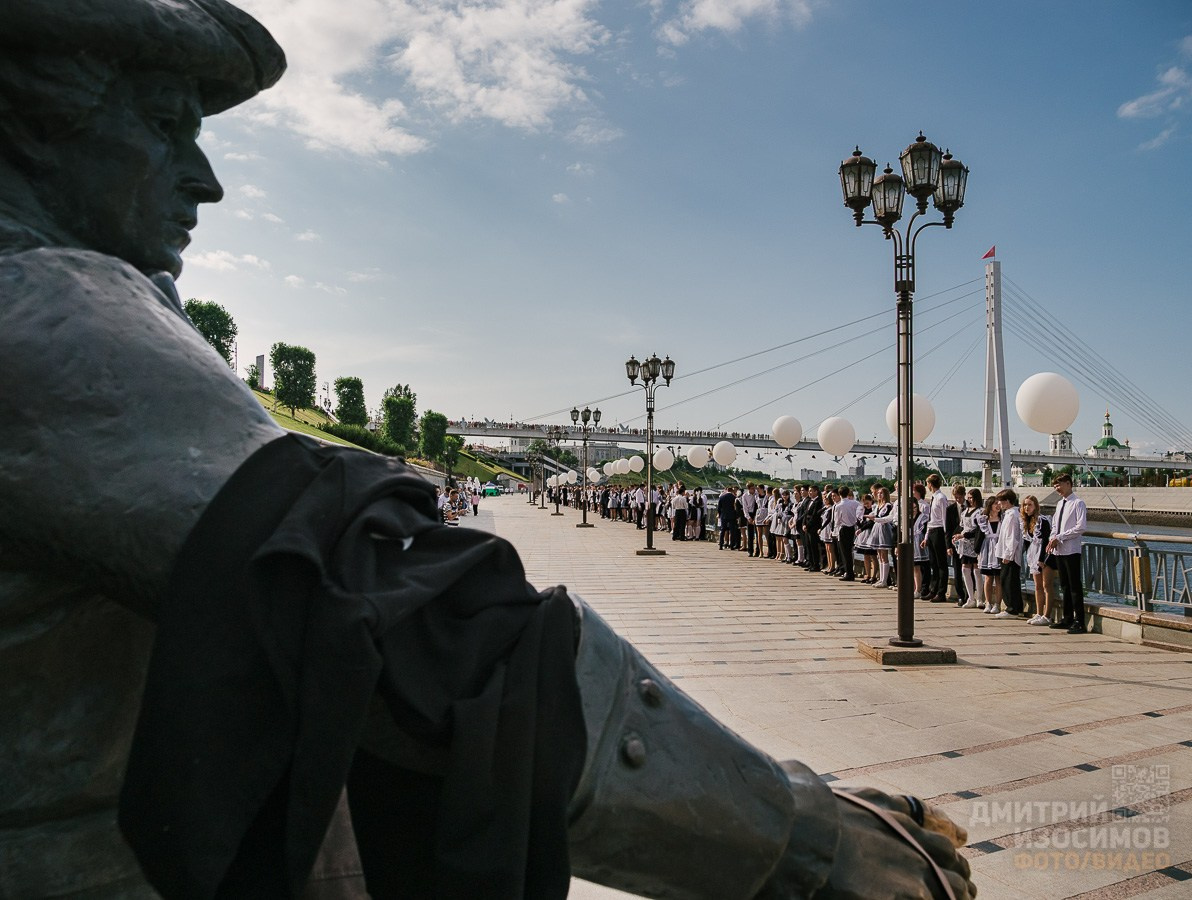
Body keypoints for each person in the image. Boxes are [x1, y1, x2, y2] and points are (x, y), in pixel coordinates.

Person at [0, 4, 973, 896]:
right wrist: (804, 840)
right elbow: (408, 613)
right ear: (36, 126)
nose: (204, 177)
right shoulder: (49, 316)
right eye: (166, 123)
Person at [1048, 473, 1088, 633]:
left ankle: (1079, 620)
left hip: (1071, 550)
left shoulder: (1078, 503)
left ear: (1068, 484)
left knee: (1074, 586)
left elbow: (1081, 527)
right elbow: (1054, 524)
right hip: (1059, 550)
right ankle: (1067, 618)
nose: (1057, 488)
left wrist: (1060, 537)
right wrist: (1053, 537)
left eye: (1059, 485)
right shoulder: (1060, 504)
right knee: (1064, 585)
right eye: (1055, 486)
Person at [1022, 495, 1053, 626]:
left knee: (1047, 586)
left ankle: (1047, 615)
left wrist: (1041, 559)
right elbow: (1027, 542)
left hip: (1045, 556)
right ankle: (1039, 613)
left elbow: (1045, 539)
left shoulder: (1042, 520)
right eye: (1025, 505)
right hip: (1033, 556)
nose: (1026, 507)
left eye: (1029, 505)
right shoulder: (1027, 522)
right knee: (1038, 586)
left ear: (1035, 506)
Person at [993, 488, 1024, 618]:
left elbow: (1012, 537)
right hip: (1007, 553)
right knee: (1011, 580)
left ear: (1007, 501)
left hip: (1009, 555)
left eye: (1000, 501)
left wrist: (1008, 555)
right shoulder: (1011, 514)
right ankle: (1017, 607)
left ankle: (1012, 608)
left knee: (1008, 580)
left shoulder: (1012, 515)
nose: (999, 504)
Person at [923, 474, 950, 603]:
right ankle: (933, 590)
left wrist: (946, 536)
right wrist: (926, 536)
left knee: (941, 564)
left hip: (939, 530)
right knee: (933, 562)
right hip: (932, 529)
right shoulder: (933, 498)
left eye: (927, 483)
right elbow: (930, 519)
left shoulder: (941, 498)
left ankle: (941, 592)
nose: (927, 486)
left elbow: (944, 518)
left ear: (930, 484)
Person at [717, 485, 738, 549]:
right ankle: (732, 545)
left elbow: (719, 507)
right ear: (731, 491)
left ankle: (721, 544)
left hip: (724, 515)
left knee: (723, 530)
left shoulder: (722, 497)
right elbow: (736, 508)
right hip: (732, 516)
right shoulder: (734, 497)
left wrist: (720, 514)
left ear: (727, 490)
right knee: (732, 531)